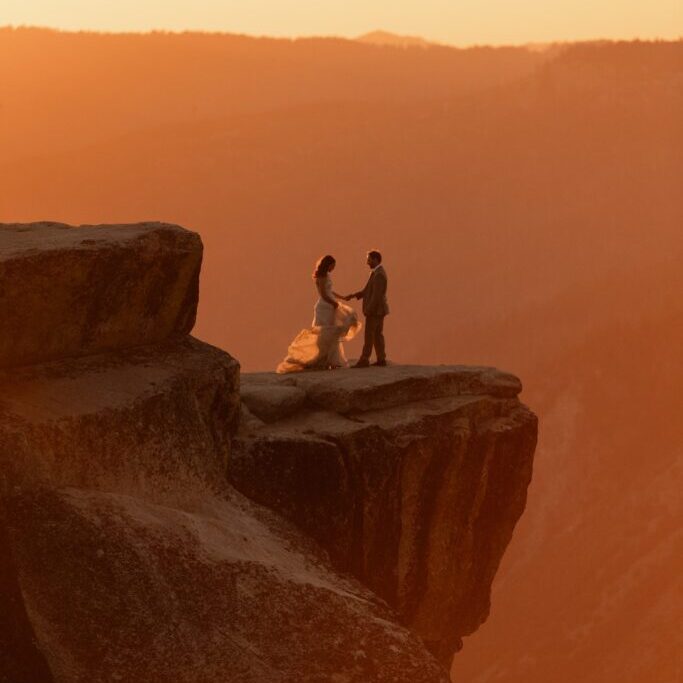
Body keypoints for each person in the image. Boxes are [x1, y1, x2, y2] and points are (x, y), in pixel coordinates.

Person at [276, 255, 361, 373]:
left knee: (332, 333)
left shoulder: (327, 275)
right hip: (324, 307)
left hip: (330, 305)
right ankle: (321, 359)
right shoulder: (321, 276)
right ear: (328, 264)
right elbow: (323, 294)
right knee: (323, 334)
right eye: (333, 265)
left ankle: (329, 360)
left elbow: (330, 291)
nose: (333, 268)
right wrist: (333, 303)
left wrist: (342, 297)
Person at [342, 250, 389, 367]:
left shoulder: (379, 275)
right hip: (379, 311)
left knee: (369, 335)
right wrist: (353, 296)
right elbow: (367, 290)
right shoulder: (376, 273)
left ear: (376, 259)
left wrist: (369, 309)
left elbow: (376, 296)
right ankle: (381, 358)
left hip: (375, 311)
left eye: (369, 260)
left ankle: (364, 359)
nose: (367, 262)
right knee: (378, 335)